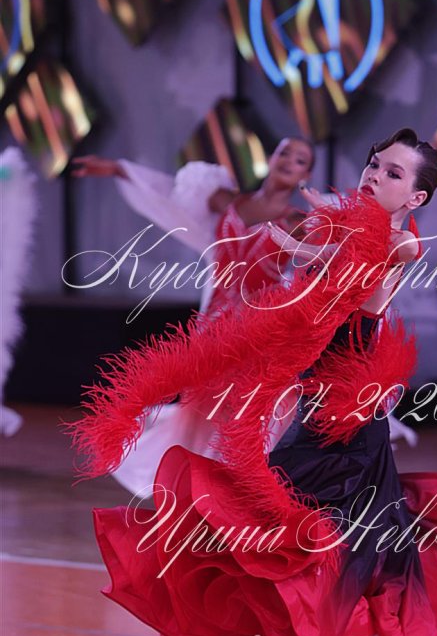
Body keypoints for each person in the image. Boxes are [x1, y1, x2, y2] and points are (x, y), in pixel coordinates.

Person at [70, 128, 437, 636]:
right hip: (312, 414)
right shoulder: (344, 233)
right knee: (291, 561)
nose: (375, 175)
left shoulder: (399, 242)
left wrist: (305, 246)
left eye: (394, 173)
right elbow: (311, 293)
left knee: (310, 561)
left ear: (416, 199)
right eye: (375, 164)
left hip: (348, 432)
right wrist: (297, 247)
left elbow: (363, 272)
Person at [71, 138, 316, 495]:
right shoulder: (228, 201)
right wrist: (120, 169)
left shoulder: (297, 221)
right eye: (284, 153)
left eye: (300, 160)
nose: (289, 161)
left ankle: (244, 492)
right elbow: (167, 195)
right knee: (199, 412)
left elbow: (330, 256)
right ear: (271, 157)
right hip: (214, 326)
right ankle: (194, 490)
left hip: (258, 332)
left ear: (305, 174)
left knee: (247, 413)